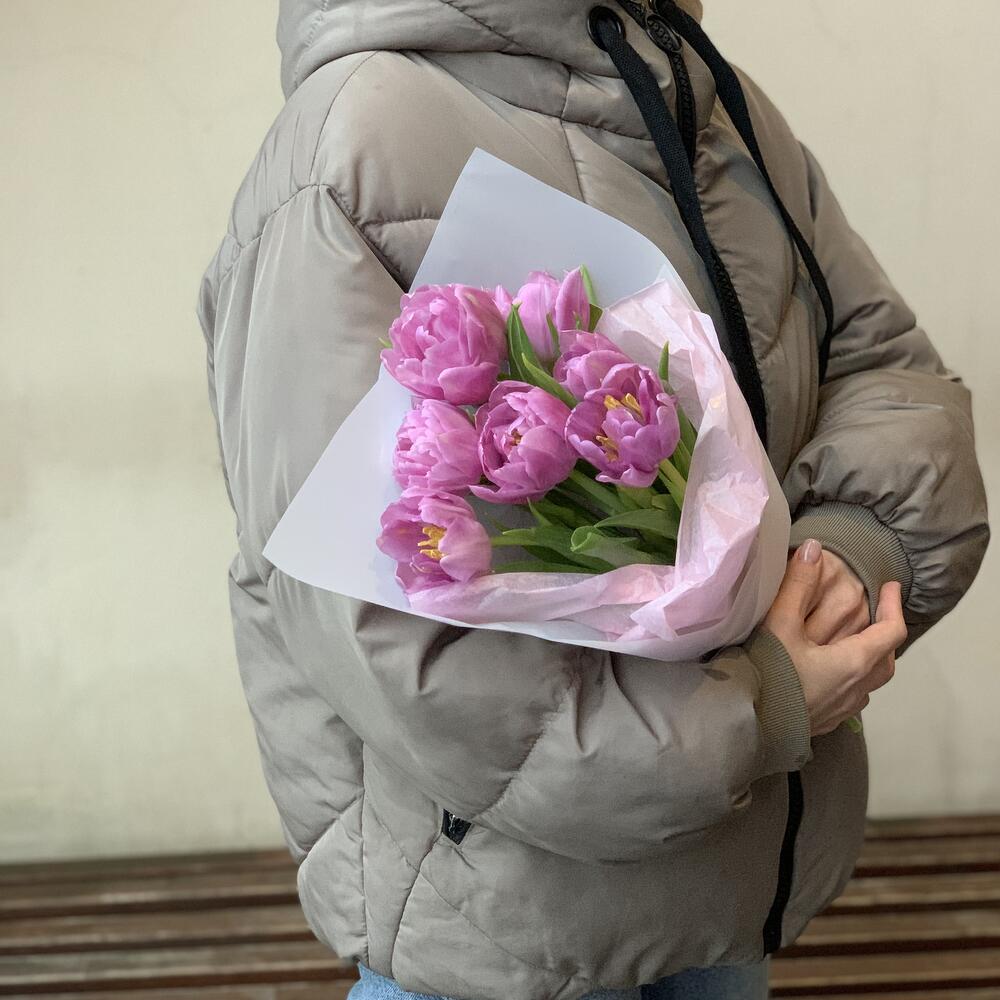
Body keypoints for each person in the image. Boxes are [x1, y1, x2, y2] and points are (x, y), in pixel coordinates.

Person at [195, 1, 990, 998]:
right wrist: (753, 708)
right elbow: (377, 626)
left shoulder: (707, 102)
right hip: (502, 931)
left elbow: (886, 366)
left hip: (726, 901)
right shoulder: (359, 144)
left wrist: (841, 555)